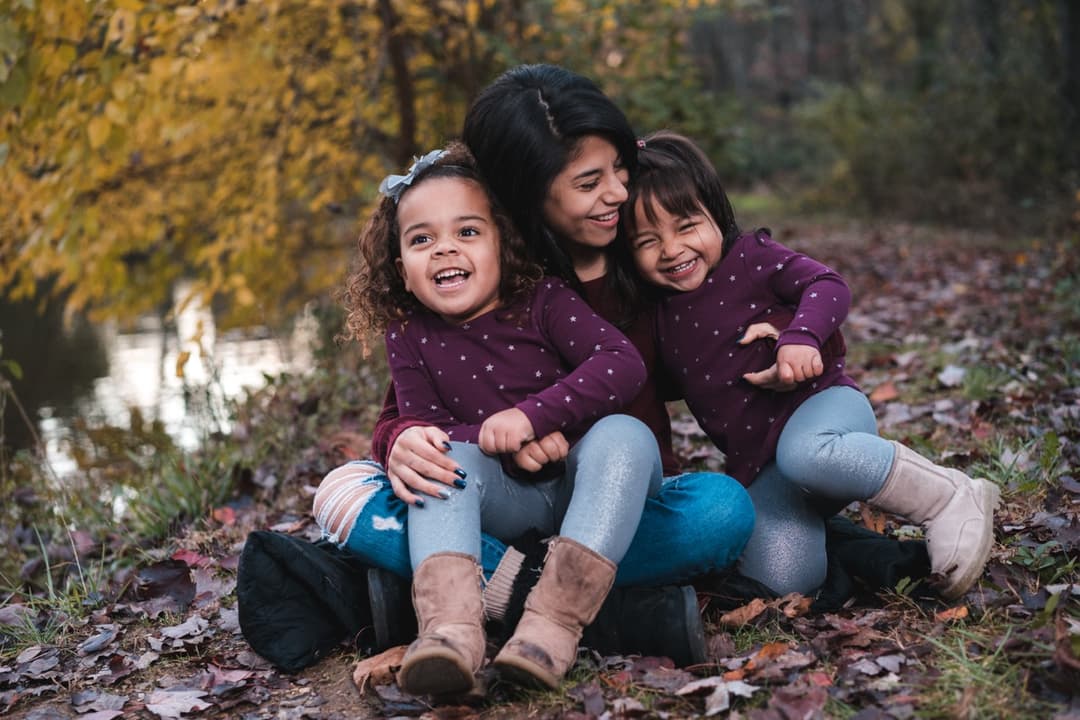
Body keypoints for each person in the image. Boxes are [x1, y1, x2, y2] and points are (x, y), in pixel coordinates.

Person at [313, 64, 757, 669]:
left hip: (614, 504)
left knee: (720, 511)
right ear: (526, 202)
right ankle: (557, 608)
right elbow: (412, 419)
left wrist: (792, 327)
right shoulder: (468, 296)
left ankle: (489, 590)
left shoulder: (658, 253)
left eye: (619, 170)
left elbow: (738, 300)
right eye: (588, 182)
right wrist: (403, 441)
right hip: (500, 498)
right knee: (342, 493)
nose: (619, 195)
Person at [620, 130, 1000, 600]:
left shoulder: (750, 259)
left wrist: (800, 335)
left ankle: (948, 496)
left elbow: (827, 284)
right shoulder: (658, 317)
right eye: (647, 240)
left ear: (715, 213)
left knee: (807, 453)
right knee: (782, 581)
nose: (672, 249)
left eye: (686, 226)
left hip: (823, 415)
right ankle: (859, 558)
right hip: (766, 468)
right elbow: (658, 388)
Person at [347, 141, 657, 693]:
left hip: (594, 487)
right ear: (402, 268)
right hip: (506, 504)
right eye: (423, 240)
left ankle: (550, 629)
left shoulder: (543, 300)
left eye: (467, 232)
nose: (445, 250)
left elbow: (622, 363)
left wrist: (534, 417)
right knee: (436, 461)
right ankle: (449, 633)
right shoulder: (409, 333)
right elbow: (426, 428)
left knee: (637, 445)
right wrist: (505, 443)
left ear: (503, 244)